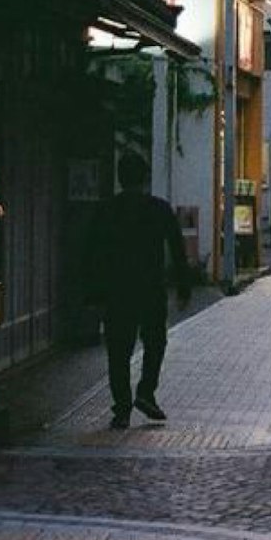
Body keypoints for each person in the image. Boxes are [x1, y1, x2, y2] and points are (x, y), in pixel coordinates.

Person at [83, 153, 193, 429]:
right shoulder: (159, 209)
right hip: (150, 288)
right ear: (145, 178)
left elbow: (92, 254)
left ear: (121, 178)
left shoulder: (106, 210)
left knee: (118, 350)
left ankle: (122, 407)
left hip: (117, 290)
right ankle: (146, 391)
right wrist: (184, 286)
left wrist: (93, 295)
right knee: (155, 343)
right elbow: (178, 250)